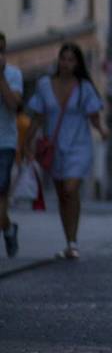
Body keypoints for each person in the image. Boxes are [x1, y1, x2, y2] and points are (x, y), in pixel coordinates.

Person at [24, 43, 107, 260]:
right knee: (62, 195)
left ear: (78, 63)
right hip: (55, 148)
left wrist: (102, 130)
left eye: (71, 60)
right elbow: (38, 116)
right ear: (58, 61)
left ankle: (73, 241)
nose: (67, 64)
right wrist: (26, 142)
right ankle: (69, 241)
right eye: (63, 58)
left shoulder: (84, 87)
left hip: (79, 146)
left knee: (70, 189)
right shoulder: (44, 85)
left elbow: (94, 116)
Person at [0, 32, 24, 258]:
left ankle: (6, 227)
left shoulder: (14, 75)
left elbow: (13, 105)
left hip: (4, 144)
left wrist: (0, 78)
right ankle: (8, 228)